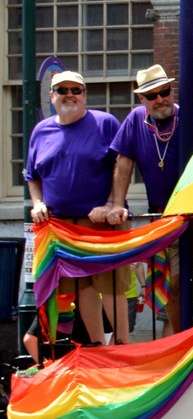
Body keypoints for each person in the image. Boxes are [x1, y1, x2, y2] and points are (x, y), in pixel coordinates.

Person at [108, 64, 193, 329]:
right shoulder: (136, 120)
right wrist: (116, 203)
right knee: (170, 280)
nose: (160, 99)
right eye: (152, 95)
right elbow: (123, 165)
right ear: (142, 99)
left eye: (165, 91)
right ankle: (180, 337)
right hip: (163, 217)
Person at [25, 71, 122, 345]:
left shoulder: (105, 123)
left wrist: (112, 203)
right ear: (52, 96)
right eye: (63, 89)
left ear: (85, 95)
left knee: (111, 284)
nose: (70, 94)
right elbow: (32, 175)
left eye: (76, 89)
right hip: (60, 226)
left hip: (101, 221)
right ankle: (96, 345)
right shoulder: (40, 130)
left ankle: (123, 344)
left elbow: (121, 167)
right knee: (81, 287)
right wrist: (38, 203)